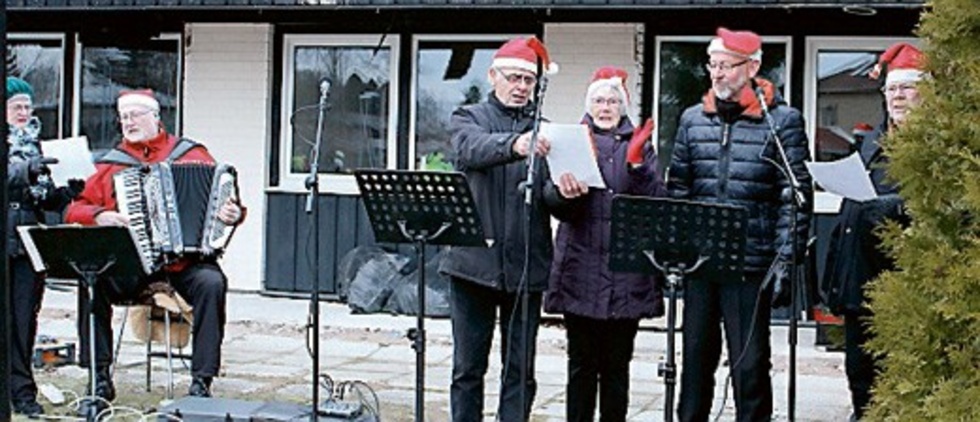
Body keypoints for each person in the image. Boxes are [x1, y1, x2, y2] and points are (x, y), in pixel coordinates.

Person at [64, 89, 245, 407]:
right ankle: (99, 378)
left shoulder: (192, 154)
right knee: (91, 281)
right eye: (123, 117)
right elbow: (72, 209)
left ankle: (202, 382)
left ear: (155, 118)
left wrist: (233, 214)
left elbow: (228, 204)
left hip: (183, 265)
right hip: (131, 264)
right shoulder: (110, 164)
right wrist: (100, 214)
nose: (128, 122)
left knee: (212, 283)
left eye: (135, 115)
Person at [666, 27, 811, 421]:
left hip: (751, 262)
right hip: (700, 263)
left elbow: (794, 195)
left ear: (753, 67)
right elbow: (679, 188)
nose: (717, 74)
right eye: (712, 65)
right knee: (695, 360)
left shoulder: (783, 121)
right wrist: (674, 251)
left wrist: (786, 258)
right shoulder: (693, 119)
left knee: (748, 365)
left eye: (726, 66)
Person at [439, 36, 584, 422]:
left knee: (520, 370)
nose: (521, 87)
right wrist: (516, 145)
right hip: (473, 264)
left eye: (529, 80)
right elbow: (469, 149)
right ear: (493, 77)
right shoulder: (467, 117)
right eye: (514, 77)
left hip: (526, 266)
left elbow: (552, 202)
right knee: (468, 369)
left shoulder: (547, 130)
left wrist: (569, 194)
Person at [543, 66, 665, 422]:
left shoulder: (639, 144)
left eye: (613, 100)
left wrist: (640, 165)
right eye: (598, 100)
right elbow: (552, 202)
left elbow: (656, 201)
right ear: (589, 104)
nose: (605, 106)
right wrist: (564, 194)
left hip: (626, 271)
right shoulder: (570, 139)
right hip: (580, 267)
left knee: (616, 367)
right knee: (580, 365)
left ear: (622, 106)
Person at [825, 42, 922, 422]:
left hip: (903, 283)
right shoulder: (871, 143)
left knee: (901, 378)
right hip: (858, 283)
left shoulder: (936, 145)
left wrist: (894, 207)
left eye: (906, 88)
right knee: (860, 375)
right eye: (891, 89)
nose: (897, 97)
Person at [5, 76, 82, 417]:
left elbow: (45, 200)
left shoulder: (38, 146)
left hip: (28, 239)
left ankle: (22, 393)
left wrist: (67, 191)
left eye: (27, 106)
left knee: (24, 320)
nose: (23, 112)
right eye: (16, 106)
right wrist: (26, 170)